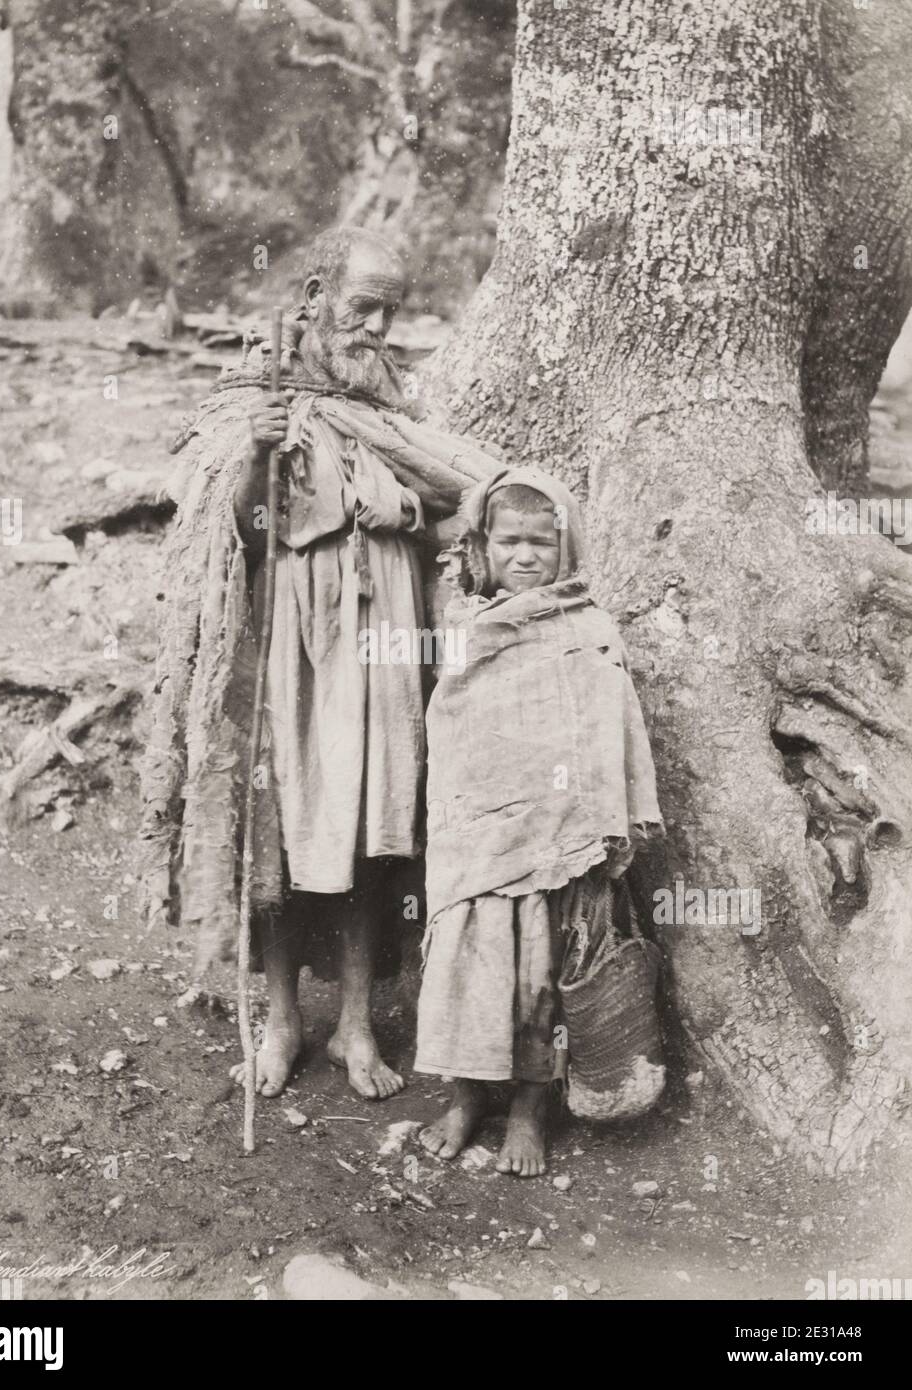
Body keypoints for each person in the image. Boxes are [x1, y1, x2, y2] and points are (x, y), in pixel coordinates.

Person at [139, 226, 500, 1101]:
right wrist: (261, 451)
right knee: (283, 827)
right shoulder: (247, 403)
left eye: (391, 312)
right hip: (291, 659)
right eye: (363, 306)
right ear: (310, 299)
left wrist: (405, 513)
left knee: (374, 828)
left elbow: (459, 499)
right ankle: (282, 1018)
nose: (378, 327)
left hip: (383, 659)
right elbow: (239, 537)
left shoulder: (388, 411)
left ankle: (354, 1027)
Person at [414, 468, 663, 1174]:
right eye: (510, 542)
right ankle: (466, 1096)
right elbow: (453, 732)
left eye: (541, 544)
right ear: (484, 548)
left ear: (567, 548)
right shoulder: (464, 626)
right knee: (469, 965)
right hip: (478, 842)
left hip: (559, 846)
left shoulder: (588, 629)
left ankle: (529, 1106)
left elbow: (612, 736)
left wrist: (600, 824)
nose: (525, 557)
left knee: (539, 978)